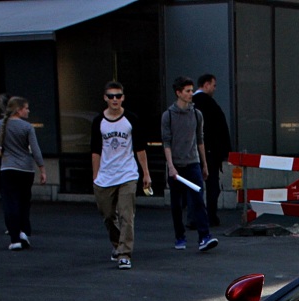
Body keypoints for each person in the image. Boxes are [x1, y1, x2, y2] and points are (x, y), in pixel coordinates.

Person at [91, 81, 151, 271]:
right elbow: (95, 150)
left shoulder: (131, 119)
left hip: (127, 173)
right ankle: (117, 244)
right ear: (105, 98)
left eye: (118, 96)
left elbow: (140, 148)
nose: (114, 99)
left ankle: (125, 253)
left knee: (127, 215)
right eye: (111, 96)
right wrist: (95, 175)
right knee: (108, 214)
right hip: (106, 175)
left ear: (123, 98)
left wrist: (146, 173)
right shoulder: (98, 121)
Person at [161, 76, 217, 252]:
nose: (191, 94)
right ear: (178, 93)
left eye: (192, 90)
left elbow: (200, 140)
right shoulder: (168, 116)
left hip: (193, 162)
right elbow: (166, 142)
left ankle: (204, 236)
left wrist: (204, 164)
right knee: (177, 204)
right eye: (187, 91)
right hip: (176, 164)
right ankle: (180, 236)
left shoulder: (196, 114)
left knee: (198, 199)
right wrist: (171, 166)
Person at [0, 96, 46, 250]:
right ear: (19, 110)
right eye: (26, 108)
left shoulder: (0, 125)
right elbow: (36, 150)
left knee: (10, 203)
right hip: (26, 170)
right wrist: (42, 168)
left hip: (8, 168)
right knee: (24, 202)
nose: (28, 111)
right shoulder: (27, 127)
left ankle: (15, 238)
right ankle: (24, 231)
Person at [191, 74, 232, 227]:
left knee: (194, 185)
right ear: (206, 85)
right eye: (213, 85)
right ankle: (210, 216)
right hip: (211, 151)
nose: (214, 89)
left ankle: (194, 217)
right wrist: (224, 152)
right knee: (212, 184)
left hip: (191, 151)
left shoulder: (190, 104)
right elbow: (220, 129)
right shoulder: (210, 104)